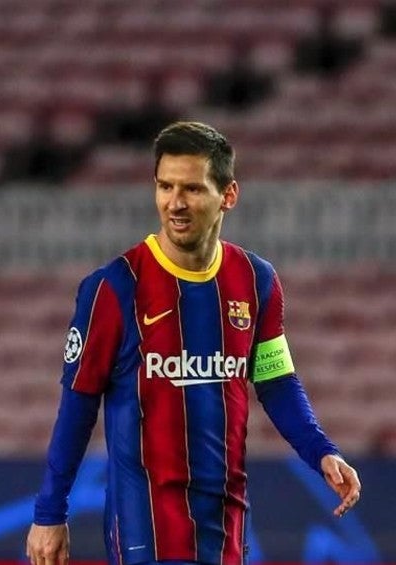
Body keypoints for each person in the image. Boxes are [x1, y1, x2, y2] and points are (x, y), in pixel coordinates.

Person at [26, 121, 361, 565]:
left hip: (225, 519)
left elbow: (276, 382)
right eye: (165, 186)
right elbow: (78, 405)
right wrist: (50, 512)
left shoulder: (256, 281)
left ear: (228, 195)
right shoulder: (115, 287)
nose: (175, 203)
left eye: (192, 189)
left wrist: (321, 452)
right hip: (146, 523)